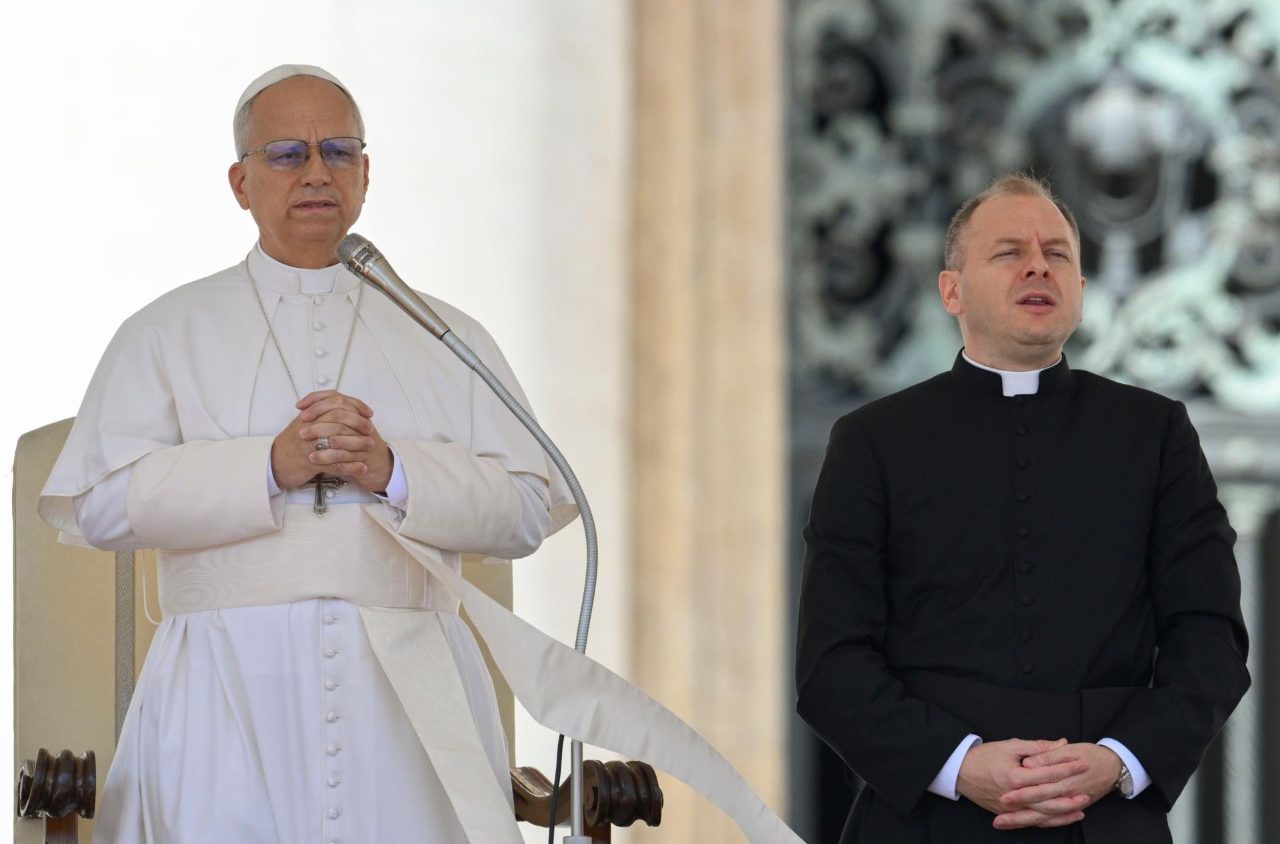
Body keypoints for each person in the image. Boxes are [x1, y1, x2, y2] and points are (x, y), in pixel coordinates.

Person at [39, 64, 574, 843]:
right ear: (241, 180)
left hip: (411, 704)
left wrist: (393, 470)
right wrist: (269, 465)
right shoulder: (166, 331)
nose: (317, 172)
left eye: (340, 151)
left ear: (366, 174)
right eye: (287, 153)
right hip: (221, 693)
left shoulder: (445, 334)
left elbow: (530, 507)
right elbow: (96, 503)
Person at [795, 173, 1250, 843]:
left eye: (1058, 253)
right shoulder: (873, 442)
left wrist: (1117, 762)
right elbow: (831, 665)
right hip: (923, 819)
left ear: (1081, 292)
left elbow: (1210, 640)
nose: (1039, 264)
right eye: (1009, 251)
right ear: (952, 289)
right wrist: (957, 765)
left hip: (1104, 819)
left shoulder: (1155, 434)